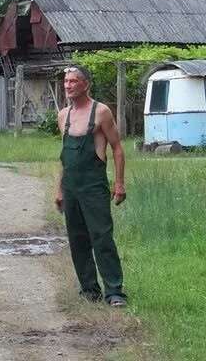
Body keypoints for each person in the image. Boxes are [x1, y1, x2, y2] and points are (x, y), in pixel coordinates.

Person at [55, 65, 128, 308]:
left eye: (73, 81)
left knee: (102, 237)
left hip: (94, 187)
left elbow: (117, 148)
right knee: (77, 239)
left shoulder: (101, 112)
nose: (68, 85)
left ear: (86, 84)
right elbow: (64, 156)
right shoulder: (63, 115)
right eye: (66, 81)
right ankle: (89, 289)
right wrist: (60, 189)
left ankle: (114, 291)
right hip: (72, 187)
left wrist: (119, 183)